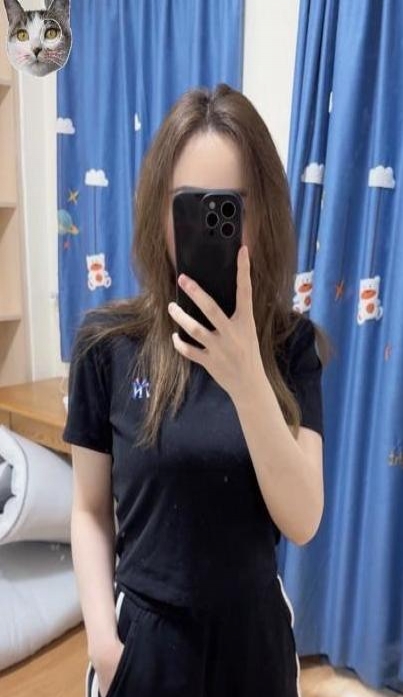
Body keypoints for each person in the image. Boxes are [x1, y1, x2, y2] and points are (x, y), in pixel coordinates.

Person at [62, 83, 329, 697]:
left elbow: (303, 519)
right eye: (190, 205)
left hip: (255, 645)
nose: (211, 227)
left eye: (228, 207)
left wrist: (246, 375)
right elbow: (89, 509)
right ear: (159, 210)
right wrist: (104, 642)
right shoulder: (106, 343)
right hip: (144, 645)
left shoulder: (290, 345)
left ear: (260, 213)